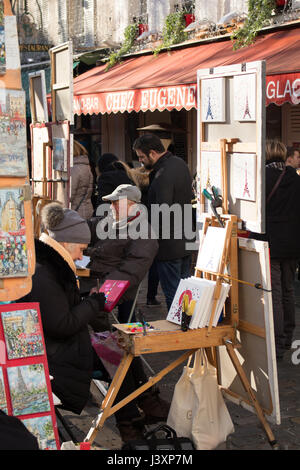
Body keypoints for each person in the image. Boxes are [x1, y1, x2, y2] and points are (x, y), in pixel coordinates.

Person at [19, 202, 109, 415]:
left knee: (119, 359)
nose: (80, 257)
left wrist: (87, 303)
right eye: (81, 249)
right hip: (56, 360)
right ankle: (132, 423)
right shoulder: (44, 273)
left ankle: (135, 419)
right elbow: (62, 324)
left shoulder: (49, 265)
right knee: (116, 360)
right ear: (67, 242)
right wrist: (93, 304)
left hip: (60, 352)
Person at [251, 140, 300, 360]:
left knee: (276, 294)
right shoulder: (294, 178)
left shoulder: (262, 178)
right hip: (292, 243)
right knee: (288, 291)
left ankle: (278, 342)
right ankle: (288, 337)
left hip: (270, 241)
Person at [133, 134, 193, 310]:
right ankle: (188, 330)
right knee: (185, 294)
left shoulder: (161, 174)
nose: (140, 161)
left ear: (152, 153)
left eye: (142, 157)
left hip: (169, 245)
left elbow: (161, 210)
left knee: (174, 296)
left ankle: (179, 331)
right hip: (186, 240)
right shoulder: (180, 164)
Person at [86, 183, 160, 321]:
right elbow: (90, 226)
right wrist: (70, 225)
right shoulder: (112, 220)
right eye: (111, 203)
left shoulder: (144, 233)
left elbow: (131, 270)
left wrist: (104, 288)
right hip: (94, 276)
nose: (111, 207)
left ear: (132, 206)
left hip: (111, 284)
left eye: (116, 203)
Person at [70, 140, 94, 219]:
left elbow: (70, 195)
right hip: (86, 209)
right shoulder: (85, 166)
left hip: (76, 213)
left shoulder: (75, 168)